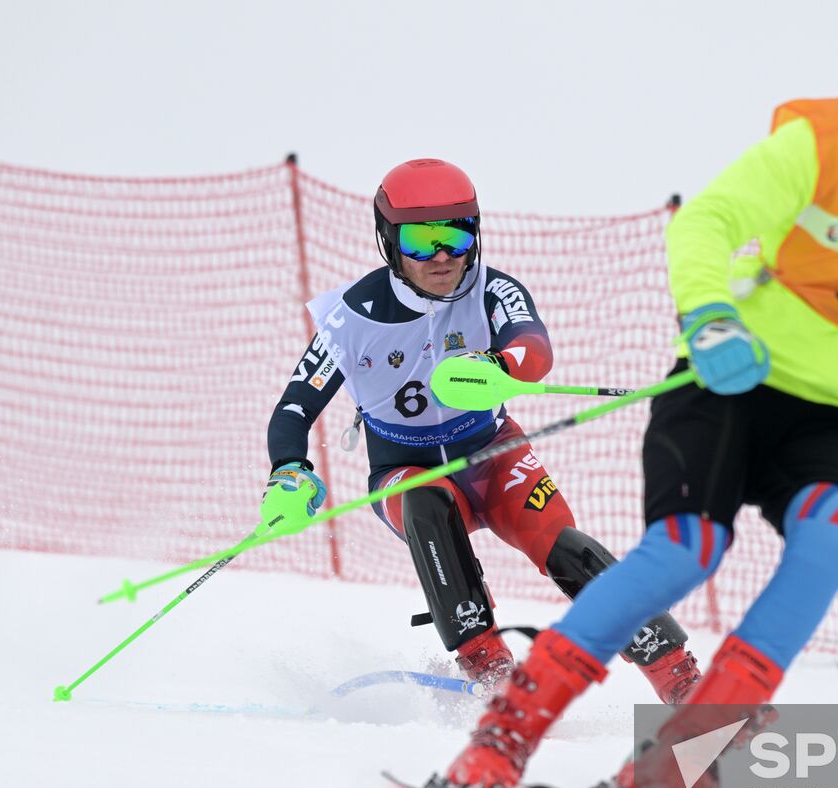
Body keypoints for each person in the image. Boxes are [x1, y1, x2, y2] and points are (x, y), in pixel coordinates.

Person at [438, 0, 838, 788]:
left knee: (834, 540)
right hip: (730, 384)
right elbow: (710, 220)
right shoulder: (829, 145)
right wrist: (711, 316)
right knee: (687, 549)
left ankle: (682, 758)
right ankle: (504, 737)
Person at [260, 158, 701, 703]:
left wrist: (500, 367)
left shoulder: (493, 290)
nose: (442, 255)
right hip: (406, 468)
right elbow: (295, 408)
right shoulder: (352, 320)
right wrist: (288, 470)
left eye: (457, 234)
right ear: (389, 241)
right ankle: (490, 669)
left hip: (494, 456)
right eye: (422, 241)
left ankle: (679, 675)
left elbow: (533, 348)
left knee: (568, 552)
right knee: (426, 504)